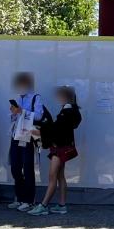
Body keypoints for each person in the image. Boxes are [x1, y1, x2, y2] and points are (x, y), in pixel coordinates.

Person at [29, 86, 82, 216]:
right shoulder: (70, 110)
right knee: (59, 176)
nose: (58, 98)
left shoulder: (67, 112)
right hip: (62, 147)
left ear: (67, 97)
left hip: (59, 148)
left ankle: (43, 205)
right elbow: (59, 129)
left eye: (60, 95)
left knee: (52, 176)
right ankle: (62, 205)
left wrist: (40, 132)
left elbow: (57, 130)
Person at [8, 72, 45, 211]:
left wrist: (22, 111)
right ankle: (20, 197)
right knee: (15, 167)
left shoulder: (36, 97)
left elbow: (39, 116)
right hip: (15, 135)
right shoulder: (19, 98)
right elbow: (15, 117)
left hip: (27, 135)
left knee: (28, 167)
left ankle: (29, 200)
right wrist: (14, 112)